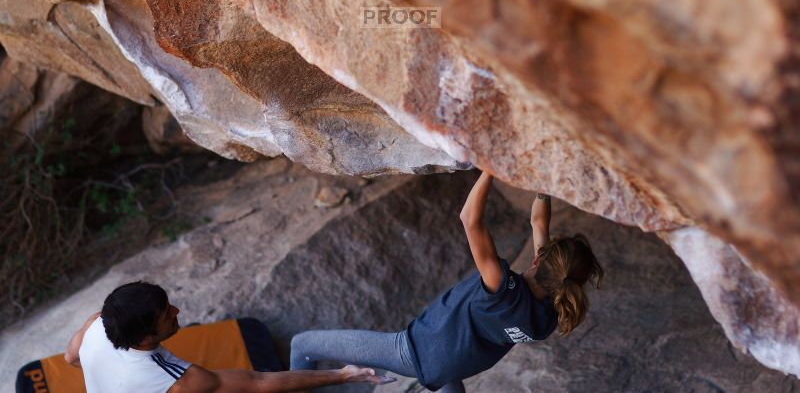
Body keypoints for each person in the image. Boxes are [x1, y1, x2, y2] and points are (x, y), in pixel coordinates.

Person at [290, 170, 604, 392]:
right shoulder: (548, 315)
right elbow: (539, 222)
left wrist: (490, 169)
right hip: (452, 367)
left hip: (412, 352)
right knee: (445, 375)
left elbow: (470, 219)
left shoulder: (500, 287)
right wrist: (542, 188)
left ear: (538, 259)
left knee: (302, 346)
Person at [64, 282, 393, 392]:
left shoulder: (98, 326)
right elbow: (257, 383)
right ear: (148, 338)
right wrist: (344, 374)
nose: (177, 310)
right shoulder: (176, 381)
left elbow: (71, 358)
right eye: (167, 315)